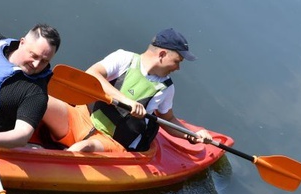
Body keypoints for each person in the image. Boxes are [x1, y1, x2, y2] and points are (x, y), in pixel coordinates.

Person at [42, 28, 211, 152]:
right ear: (162, 55)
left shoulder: (166, 89)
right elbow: (92, 74)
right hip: (81, 117)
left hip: (107, 140)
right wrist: (125, 100)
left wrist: (191, 135)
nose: (178, 68)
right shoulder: (124, 58)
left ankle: (49, 164)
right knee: (39, 99)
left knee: (84, 147)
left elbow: (168, 119)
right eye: (177, 61)